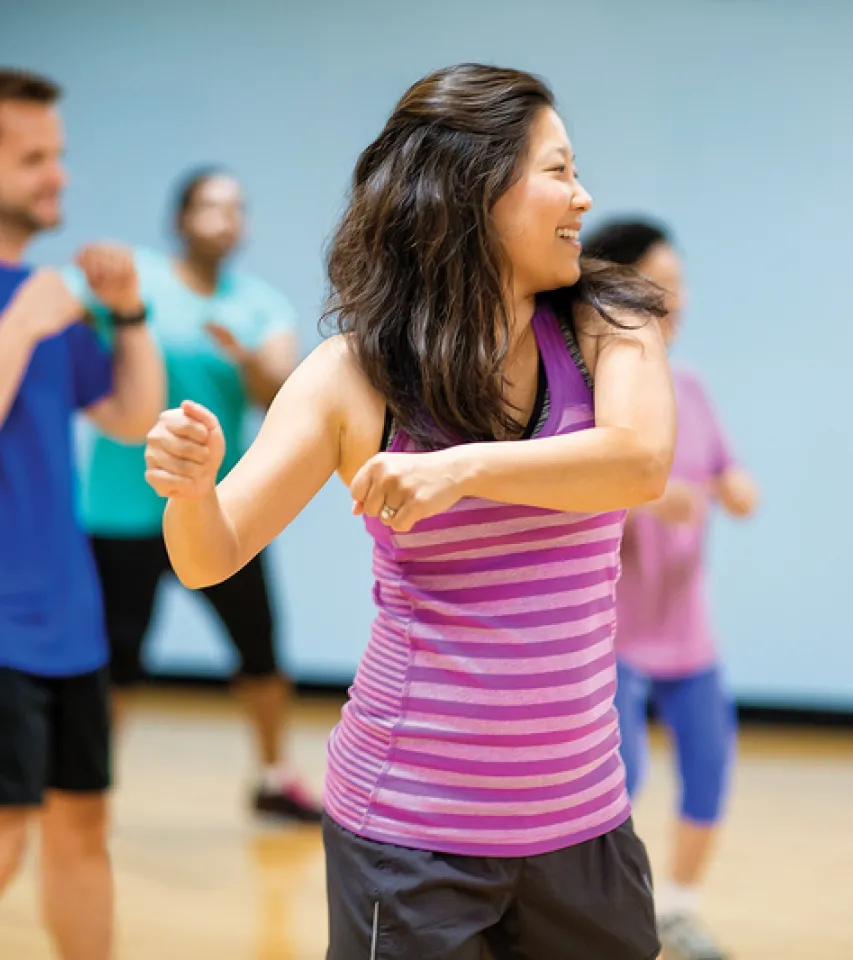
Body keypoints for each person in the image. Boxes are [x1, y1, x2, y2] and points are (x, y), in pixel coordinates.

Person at [144, 63, 677, 960]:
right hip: (409, 832)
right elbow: (211, 553)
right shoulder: (355, 375)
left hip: (584, 822)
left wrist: (461, 470)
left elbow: (637, 462)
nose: (582, 196)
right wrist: (191, 494)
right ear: (475, 194)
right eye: (557, 170)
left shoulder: (608, 325)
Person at [67, 168, 323, 823]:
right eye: (211, 207)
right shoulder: (135, 283)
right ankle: (92, 784)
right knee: (117, 661)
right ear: (180, 219)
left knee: (260, 650)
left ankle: (273, 777)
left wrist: (246, 357)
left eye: (237, 208)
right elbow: (58, 315)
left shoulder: (259, 306)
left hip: (220, 512)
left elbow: (282, 398)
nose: (226, 219)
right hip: (122, 512)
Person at [0, 68, 164, 959]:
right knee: (4, 839)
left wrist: (129, 312)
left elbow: (132, 419)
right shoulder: (31, 306)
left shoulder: (50, 299)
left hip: (67, 619)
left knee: (80, 830)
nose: (58, 176)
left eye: (56, 155)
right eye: (34, 159)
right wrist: (20, 326)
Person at [584, 219, 760, 960]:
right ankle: (607, 910)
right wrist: (651, 496)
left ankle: (680, 907)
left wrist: (730, 487)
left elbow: (729, 476)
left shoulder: (690, 386)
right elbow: (580, 488)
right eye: (663, 284)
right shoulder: (592, 388)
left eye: (682, 285)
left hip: (688, 627)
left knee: (711, 761)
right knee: (616, 774)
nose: (677, 300)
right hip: (616, 629)